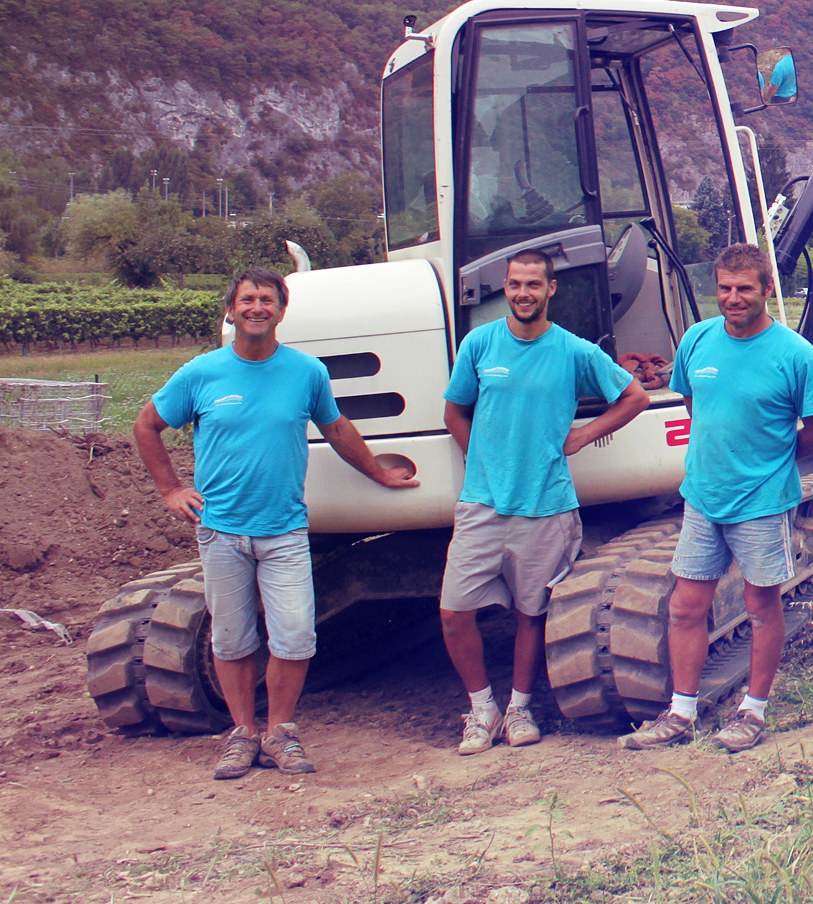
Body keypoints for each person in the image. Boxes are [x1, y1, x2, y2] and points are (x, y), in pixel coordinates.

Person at [134, 267, 419, 781]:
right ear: (230, 310)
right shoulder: (201, 373)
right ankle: (242, 735)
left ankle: (281, 732)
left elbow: (335, 427)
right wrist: (169, 490)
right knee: (232, 639)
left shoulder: (305, 372)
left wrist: (378, 471)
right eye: (247, 299)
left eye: (268, 299)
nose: (257, 307)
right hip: (221, 531)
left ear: (282, 311)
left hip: (284, 530)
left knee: (293, 637)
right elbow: (147, 424)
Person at [619, 243, 813, 754]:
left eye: (745, 289)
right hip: (703, 498)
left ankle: (752, 712)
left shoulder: (794, 355)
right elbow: (696, 405)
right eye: (725, 288)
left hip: (761, 500)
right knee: (685, 606)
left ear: (765, 290)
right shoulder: (696, 341)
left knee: (761, 605)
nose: (733, 298)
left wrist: (769, 462)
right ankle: (681, 714)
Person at [441, 250, 649, 755]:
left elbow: (635, 397)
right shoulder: (480, 343)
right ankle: (482, 710)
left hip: (545, 505)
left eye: (533, 284)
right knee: (453, 611)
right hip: (483, 505)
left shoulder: (573, 351)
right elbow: (454, 412)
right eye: (515, 285)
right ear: (504, 289)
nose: (523, 293)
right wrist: (484, 458)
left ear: (550, 289)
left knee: (531, 614)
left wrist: (584, 434)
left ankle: (518, 709)